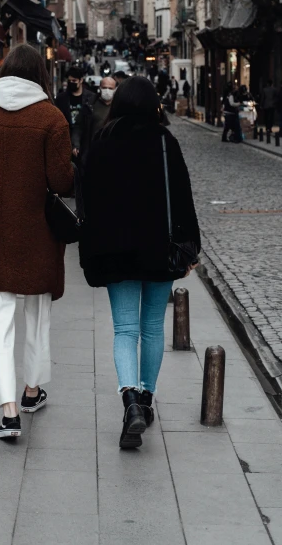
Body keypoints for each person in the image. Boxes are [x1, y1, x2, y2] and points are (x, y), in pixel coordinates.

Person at [0, 44, 74, 440]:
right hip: (36, 236)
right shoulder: (51, 117)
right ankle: (32, 391)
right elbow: (62, 182)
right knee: (37, 318)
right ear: (40, 74)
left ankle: (8, 412)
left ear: (3, 72)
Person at [80, 77, 200, 449]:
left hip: (114, 249)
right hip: (158, 249)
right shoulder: (165, 141)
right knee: (152, 328)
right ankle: (146, 399)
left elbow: (85, 197)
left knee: (125, 329)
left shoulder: (100, 141)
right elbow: (181, 196)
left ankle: (129, 398)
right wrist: (190, 247)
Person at [55, 67, 96, 169]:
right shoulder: (61, 98)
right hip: (66, 140)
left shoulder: (91, 98)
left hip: (85, 141)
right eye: (69, 81)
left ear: (81, 80)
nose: (71, 83)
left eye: (74, 81)